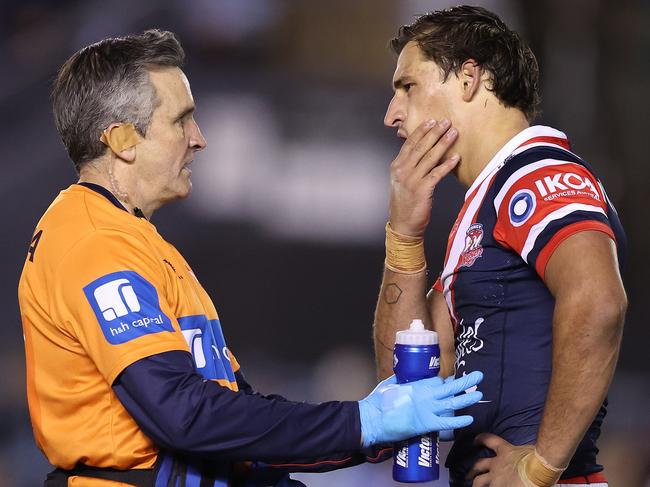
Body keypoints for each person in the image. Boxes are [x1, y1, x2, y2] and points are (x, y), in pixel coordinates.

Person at [18, 30, 485, 486]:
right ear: (122, 140)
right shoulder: (95, 242)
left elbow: (237, 423)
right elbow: (184, 416)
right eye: (181, 120)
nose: (198, 138)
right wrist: (361, 423)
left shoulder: (137, 240)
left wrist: (370, 433)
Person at [373, 6, 627, 487]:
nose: (392, 115)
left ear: (469, 78)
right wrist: (403, 238)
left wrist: (540, 467)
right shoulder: (480, 209)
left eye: (407, 87)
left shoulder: (536, 173)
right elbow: (406, 388)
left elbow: (599, 300)